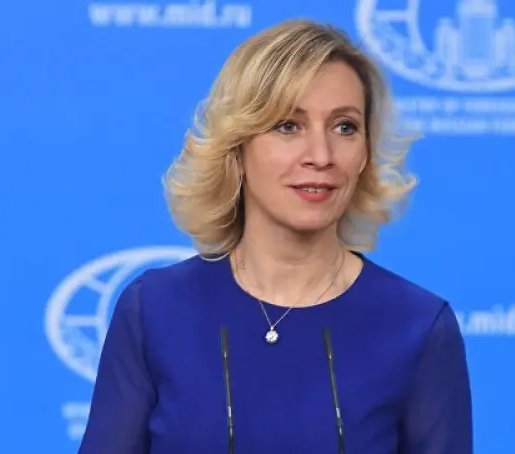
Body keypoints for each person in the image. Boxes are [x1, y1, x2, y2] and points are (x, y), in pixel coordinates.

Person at [79, 19, 473, 454]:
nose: (321, 156)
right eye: (288, 126)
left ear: (365, 153)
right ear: (238, 146)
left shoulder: (418, 326)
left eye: (344, 127)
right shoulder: (154, 310)